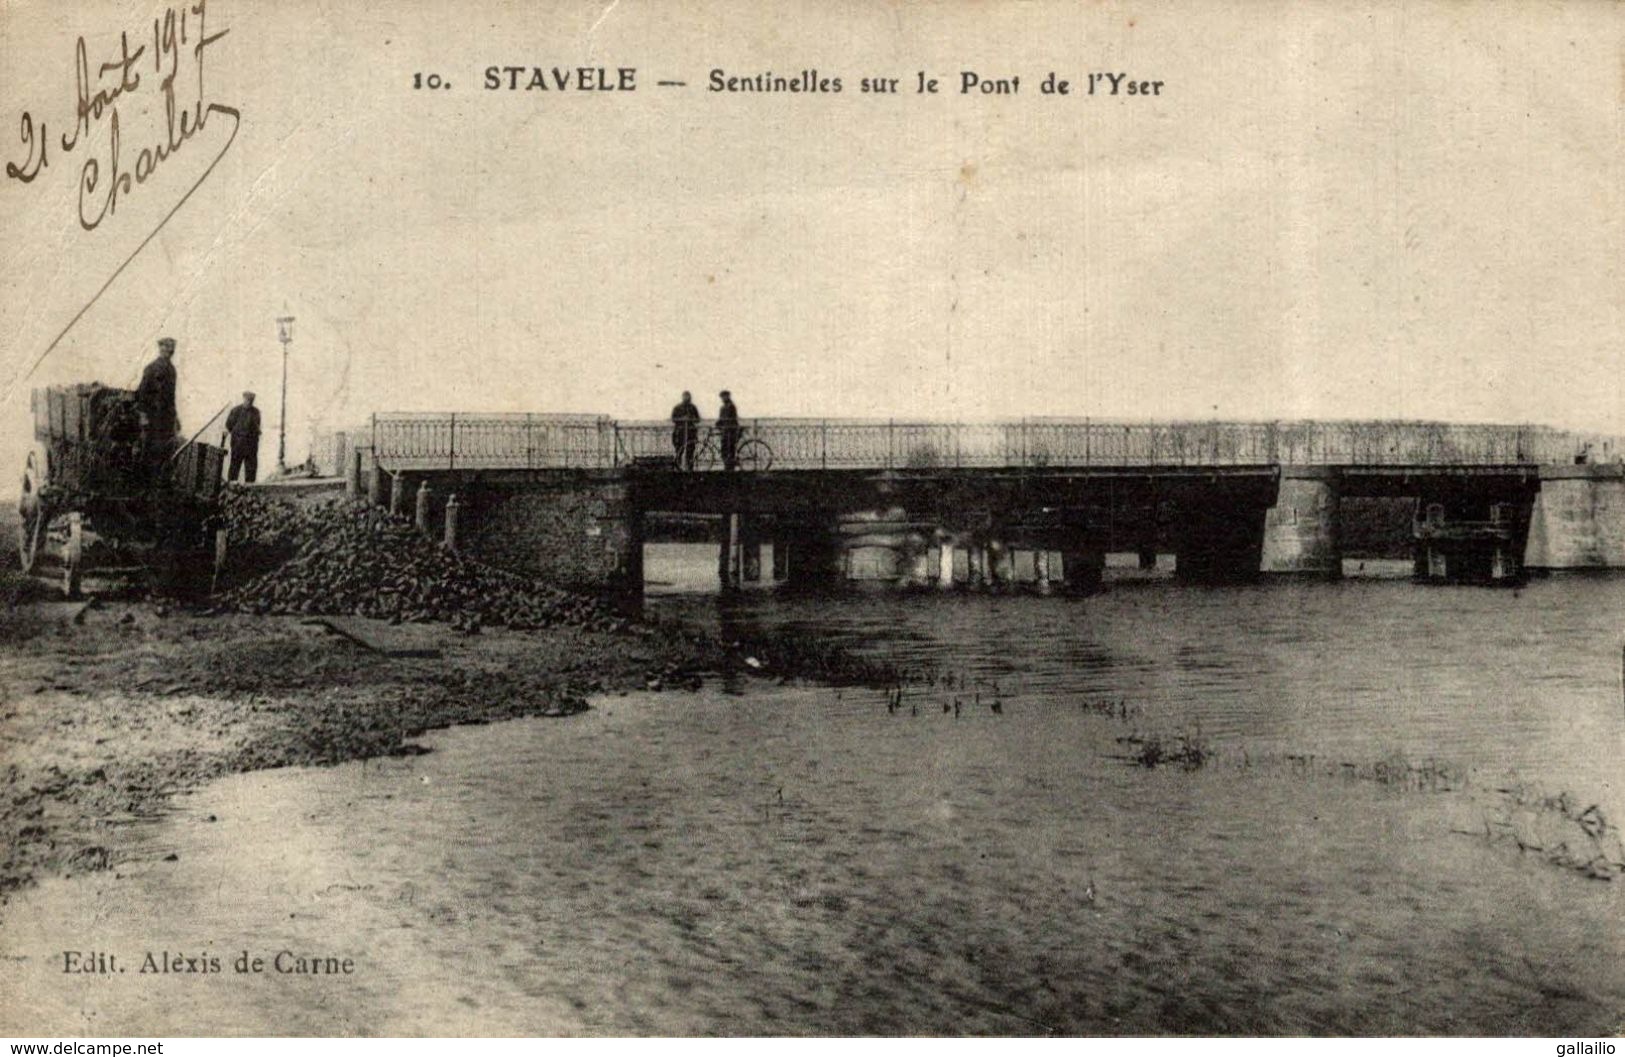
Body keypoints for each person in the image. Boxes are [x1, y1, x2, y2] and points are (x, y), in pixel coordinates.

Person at [136, 337, 180, 464]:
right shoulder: (151, 368)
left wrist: (175, 417)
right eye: (165, 347)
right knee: (149, 449)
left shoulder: (172, 370)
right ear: (160, 348)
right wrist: (143, 416)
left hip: (166, 417)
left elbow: (171, 396)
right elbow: (142, 393)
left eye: (171, 349)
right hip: (152, 416)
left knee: (165, 450)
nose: (168, 351)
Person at [225, 391, 261, 483]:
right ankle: (231, 486)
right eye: (247, 400)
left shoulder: (256, 412)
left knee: (251, 469)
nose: (249, 402)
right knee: (235, 466)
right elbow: (229, 425)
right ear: (244, 399)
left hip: (251, 445)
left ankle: (249, 489)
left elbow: (257, 426)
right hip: (238, 444)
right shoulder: (236, 410)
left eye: (251, 400)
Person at [671, 391, 701, 471]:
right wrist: (683, 419)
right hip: (680, 432)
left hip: (691, 432)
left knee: (690, 451)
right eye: (685, 396)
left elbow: (698, 419)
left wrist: (691, 418)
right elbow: (673, 418)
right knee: (679, 450)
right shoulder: (677, 407)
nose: (687, 398)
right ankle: (678, 468)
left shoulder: (693, 407)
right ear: (682, 397)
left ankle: (690, 468)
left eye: (688, 396)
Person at [717, 390, 742, 471]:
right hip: (726, 430)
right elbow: (721, 419)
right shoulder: (724, 407)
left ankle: (730, 466)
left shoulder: (730, 406)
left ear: (727, 397)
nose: (723, 399)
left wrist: (720, 424)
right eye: (722, 397)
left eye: (724, 397)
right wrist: (717, 424)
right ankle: (728, 465)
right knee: (726, 448)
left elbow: (728, 419)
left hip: (730, 431)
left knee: (728, 448)